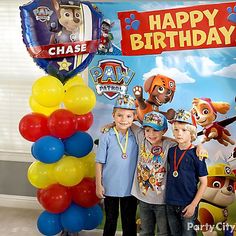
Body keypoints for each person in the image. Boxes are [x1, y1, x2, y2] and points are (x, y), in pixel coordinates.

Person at [130, 110, 207, 236]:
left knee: (166, 232)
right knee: (147, 231)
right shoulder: (143, 137)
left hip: (163, 201)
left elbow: (185, 143)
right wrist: (110, 125)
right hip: (147, 198)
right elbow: (125, 123)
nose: (151, 134)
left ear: (164, 131)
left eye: (156, 130)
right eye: (147, 130)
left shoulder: (169, 145)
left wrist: (199, 146)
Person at [95, 94, 138, 236]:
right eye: (119, 115)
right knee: (111, 220)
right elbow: (99, 162)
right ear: (113, 115)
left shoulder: (137, 136)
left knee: (129, 221)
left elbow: (159, 137)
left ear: (134, 118)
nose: (123, 120)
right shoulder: (106, 136)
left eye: (128, 116)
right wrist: (98, 184)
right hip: (110, 186)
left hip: (130, 188)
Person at [165, 109, 208, 236]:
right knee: (174, 233)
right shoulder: (171, 151)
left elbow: (204, 183)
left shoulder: (197, 154)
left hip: (188, 204)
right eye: (176, 130)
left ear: (192, 133)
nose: (179, 134)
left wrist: (193, 205)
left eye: (184, 130)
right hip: (170, 202)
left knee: (188, 234)